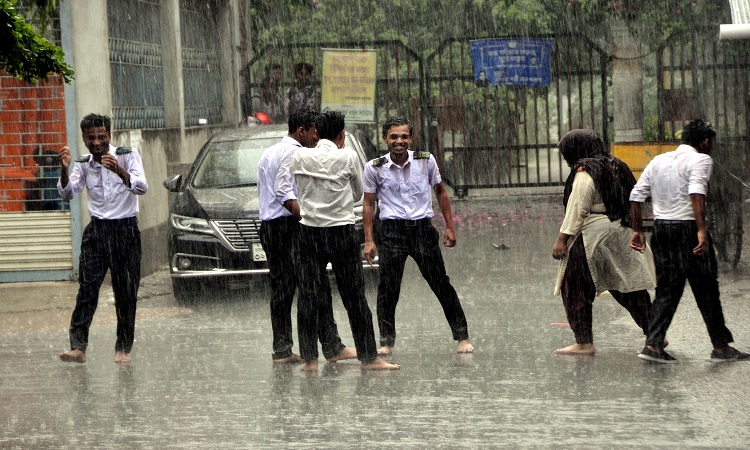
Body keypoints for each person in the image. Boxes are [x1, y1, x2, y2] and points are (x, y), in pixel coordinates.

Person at [630, 119, 750, 363]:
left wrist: (638, 230)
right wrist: (702, 230)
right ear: (705, 142)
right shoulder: (701, 159)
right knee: (707, 289)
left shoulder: (659, 160)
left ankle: (653, 345)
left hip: (662, 230)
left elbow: (636, 195)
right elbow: (697, 192)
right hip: (688, 229)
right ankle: (720, 346)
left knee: (666, 290)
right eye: (711, 143)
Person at [291, 110, 400, 371]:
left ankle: (309, 360)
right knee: (354, 297)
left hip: (309, 233)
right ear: (342, 135)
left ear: (316, 132)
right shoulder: (349, 156)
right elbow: (357, 194)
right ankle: (369, 357)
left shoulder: (299, 156)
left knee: (309, 296)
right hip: (341, 233)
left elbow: (296, 187)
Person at [363, 116, 473, 356]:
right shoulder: (374, 167)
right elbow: (369, 204)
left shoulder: (426, 161)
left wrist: (450, 227)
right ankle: (386, 340)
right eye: (393, 137)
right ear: (385, 139)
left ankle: (462, 336)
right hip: (391, 233)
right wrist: (369, 239)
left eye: (404, 136)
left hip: (422, 230)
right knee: (388, 288)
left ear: (410, 139)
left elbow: (441, 193)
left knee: (440, 283)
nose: (399, 141)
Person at [258, 107, 356, 364]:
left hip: (269, 227)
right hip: (291, 225)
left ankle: (282, 349)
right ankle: (331, 346)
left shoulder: (269, 152)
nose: (317, 137)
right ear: (301, 130)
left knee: (281, 288)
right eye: (314, 132)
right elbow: (285, 193)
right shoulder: (297, 154)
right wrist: (306, 216)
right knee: (315, 287)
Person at [551, 129, 655, 355]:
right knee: (628, 287)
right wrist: (637, 229)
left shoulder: (585, 172)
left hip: (594, 235)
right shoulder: (618, 165)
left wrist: (562, 239)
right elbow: (635, 199)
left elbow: (577, 209)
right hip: (622, 232)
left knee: (575, 285)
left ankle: (583, 342)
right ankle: (655, 334)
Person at [57, 113, 148, 364]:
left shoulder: (128, 155)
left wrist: (118, 170)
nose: (96, 143)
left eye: (101, 137)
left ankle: (122, 349)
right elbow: (68, 193)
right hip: (97, 233)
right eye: (91, 138)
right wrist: (64, 171)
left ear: (109, 135)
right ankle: (78, 347)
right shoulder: (84, 163)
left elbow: (142, 186)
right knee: (87, 290)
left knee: (126, 292)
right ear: (84, 139)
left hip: (125, 231)